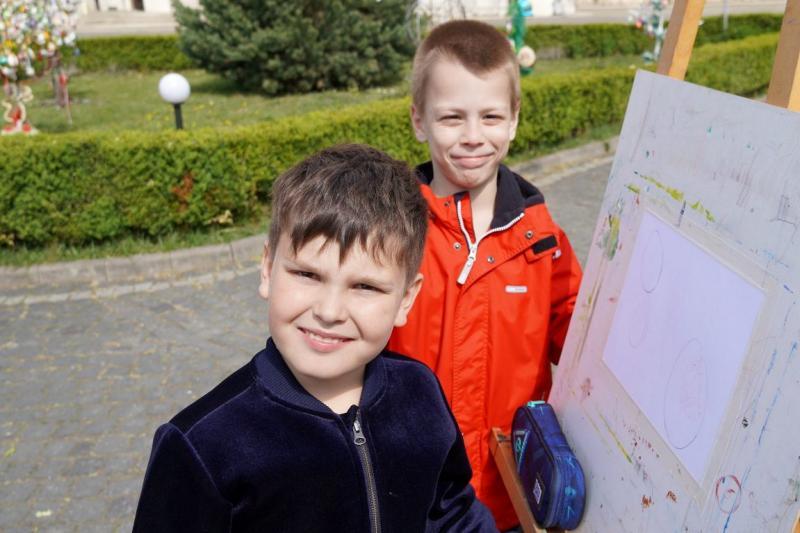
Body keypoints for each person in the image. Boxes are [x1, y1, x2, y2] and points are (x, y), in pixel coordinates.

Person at [133, 144, 497, 532]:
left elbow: (453, 513)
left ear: (406, 300)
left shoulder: (420, 390)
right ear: (267, 268)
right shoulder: (201, 445)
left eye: (365, 286)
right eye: (308, 275)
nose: (329, 311)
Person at [387, 20, 583, 530]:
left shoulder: (543, 242)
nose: (473, 137)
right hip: (412, 495)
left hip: (512, 497)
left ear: (514, 120)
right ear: (419, 120)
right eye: (452, 117)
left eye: (491, 116)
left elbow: (586, 347)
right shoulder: (391, 234)